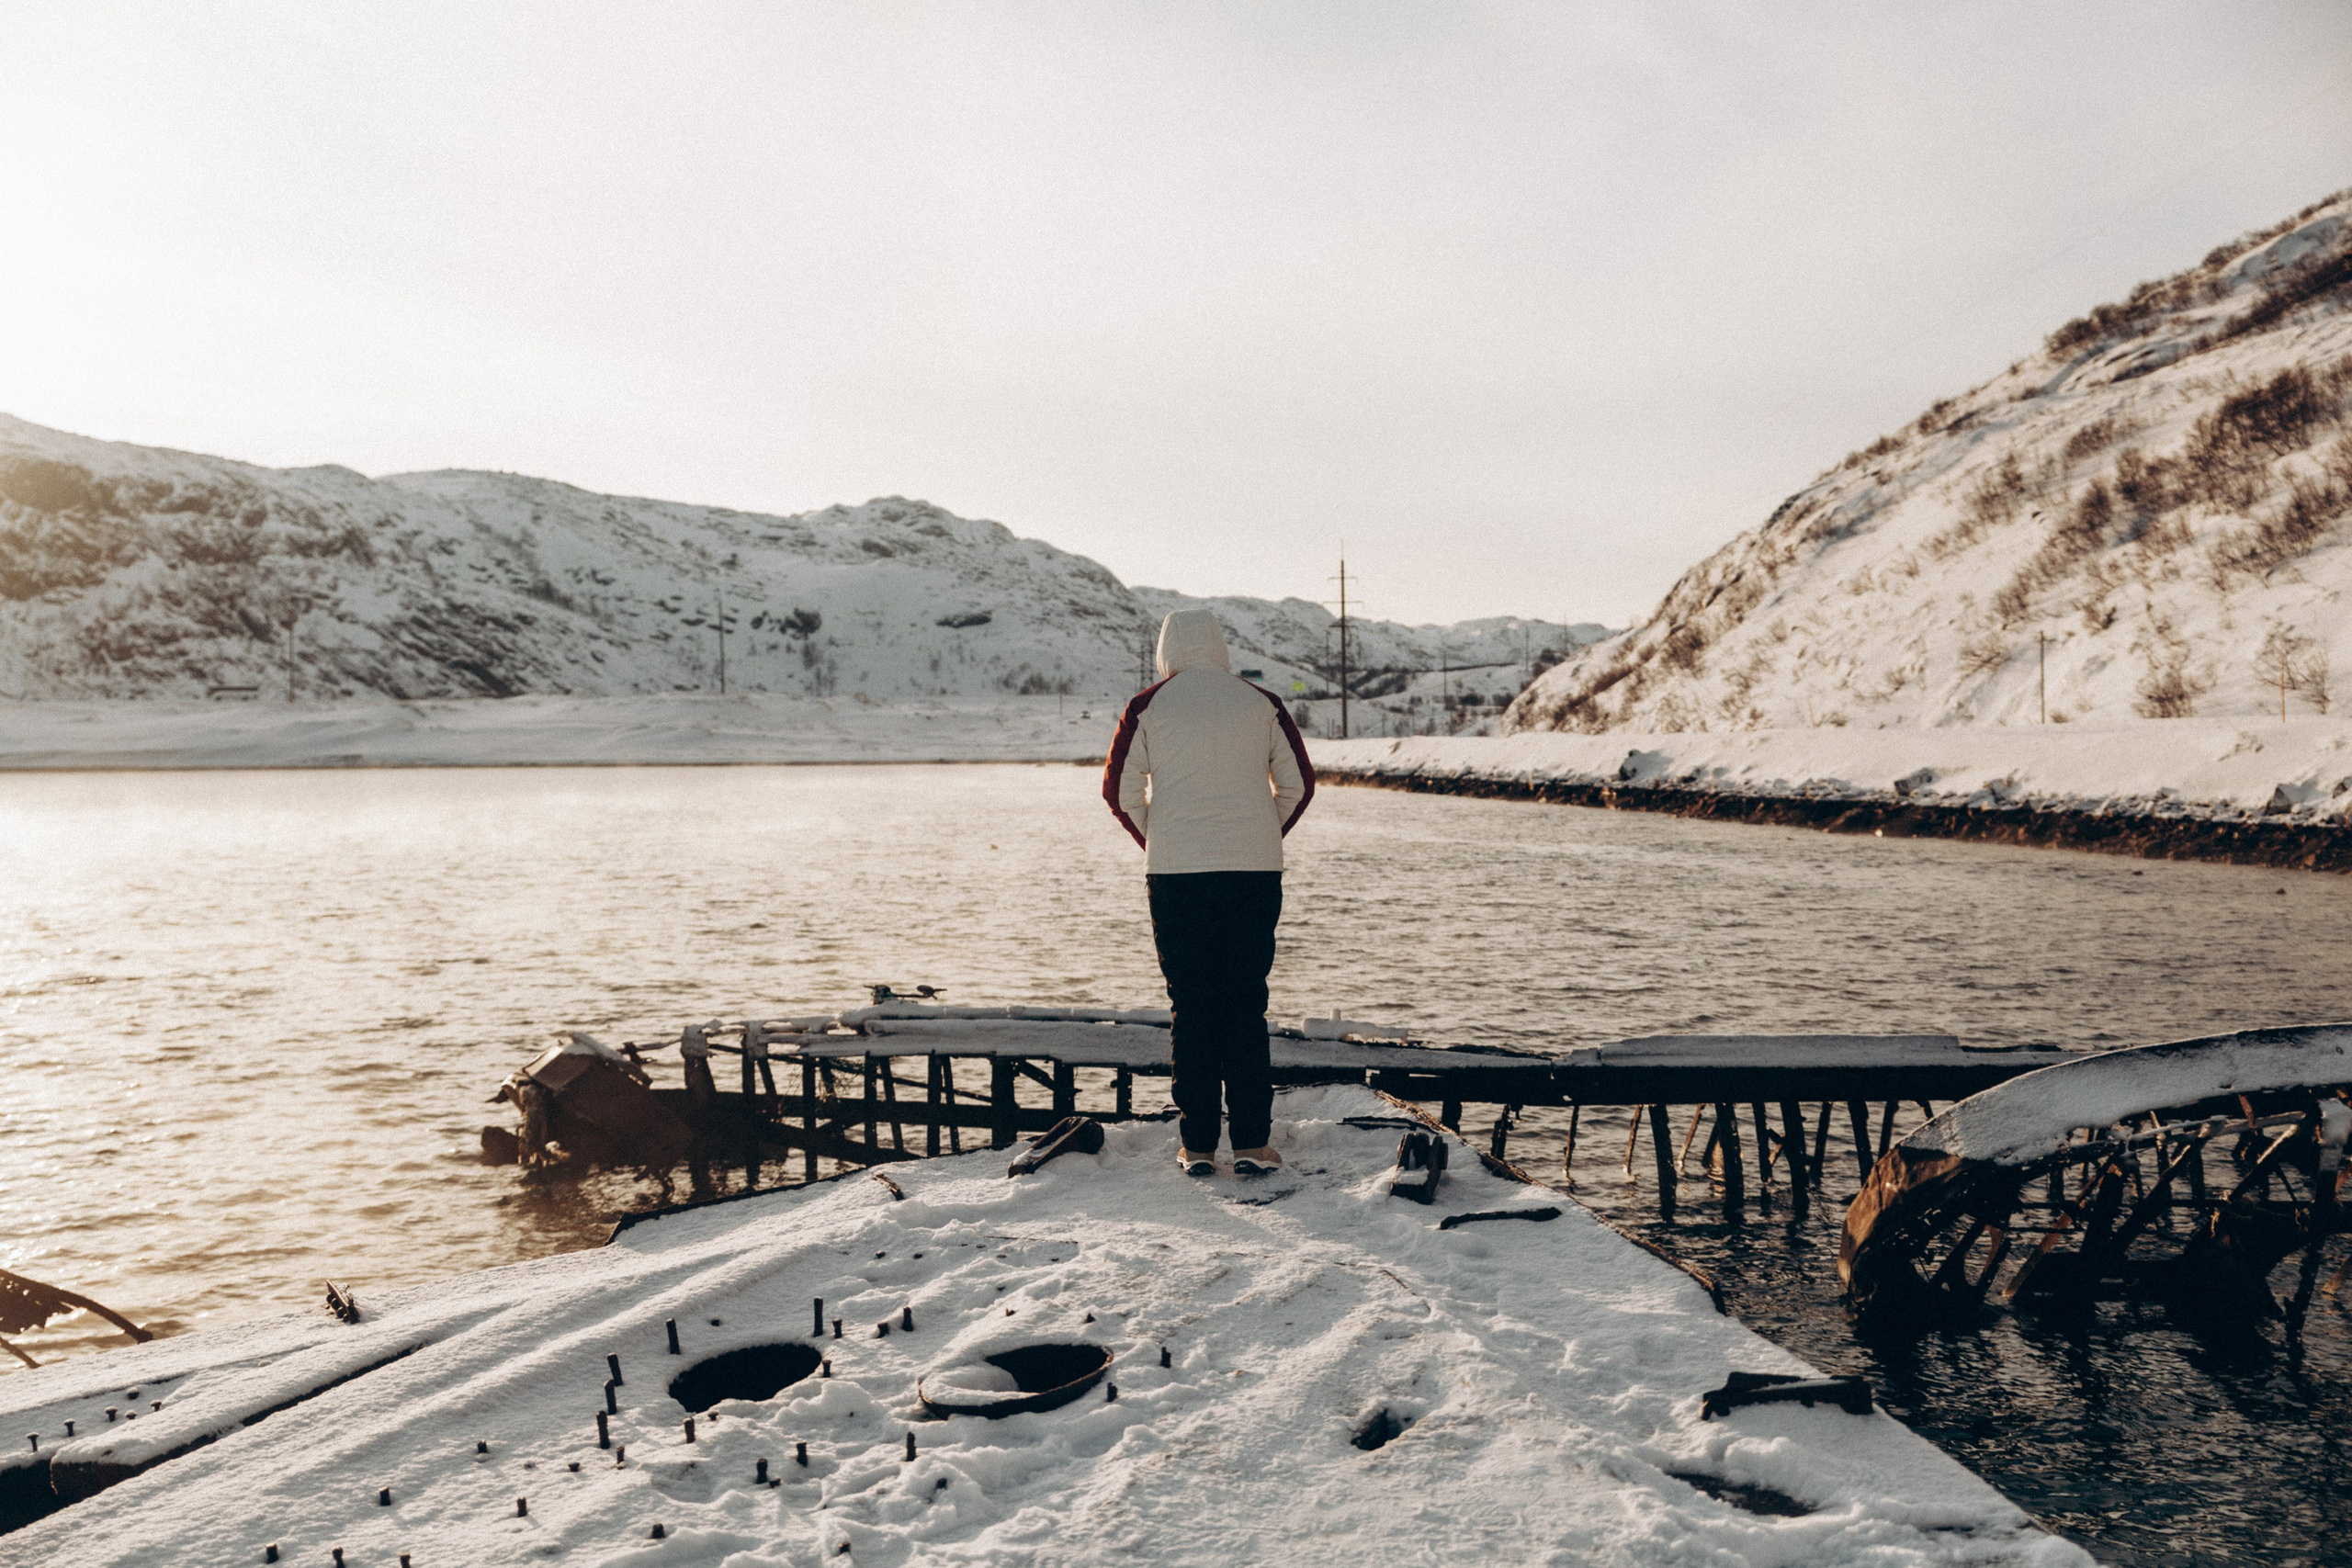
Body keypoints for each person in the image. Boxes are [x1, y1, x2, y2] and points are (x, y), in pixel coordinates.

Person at [1102, 609, 1314, 1176]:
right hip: (1253, 874)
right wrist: (1259, 835)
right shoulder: (1262, 702)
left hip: (1175, 875)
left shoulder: (1149, 705)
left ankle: (1197, 1145)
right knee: (1246, 1005)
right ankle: (1250, 1143)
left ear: (1165, 651)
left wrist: (1161, 839)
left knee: (1191, 1007)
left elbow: (1118, 791)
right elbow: (1298, 785)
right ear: (1221, 647)